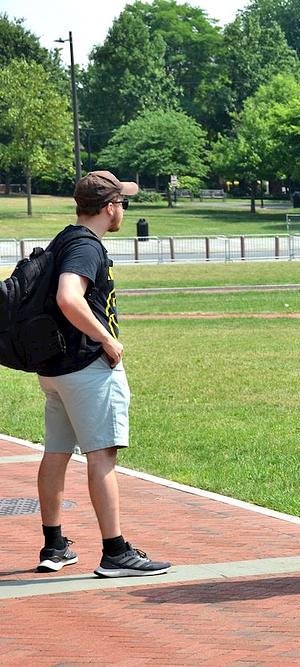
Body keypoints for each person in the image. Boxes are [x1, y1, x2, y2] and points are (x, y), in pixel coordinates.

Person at [35, 171, 171, 578]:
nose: (124, 210)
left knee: (56, 452)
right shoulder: (86, 246)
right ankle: (115, 551)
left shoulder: (64, 238)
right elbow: (67, 297)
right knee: (103, 454)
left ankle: (54, 544)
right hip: (85, 366)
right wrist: (106, 339)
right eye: (122, 203)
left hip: (54, 368)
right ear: (110, 207)